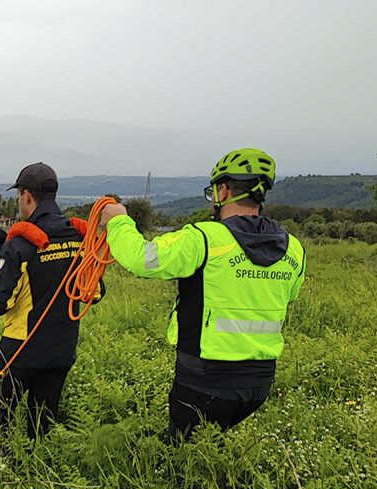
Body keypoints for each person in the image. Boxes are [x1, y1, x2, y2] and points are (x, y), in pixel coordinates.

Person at [98, 148, 306, 442]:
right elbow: (289, 295)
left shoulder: (204, 238)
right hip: (259, 384)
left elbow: (143, 259)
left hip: (204, 379)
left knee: (183, 459)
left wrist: (118, 220)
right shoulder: (294, 248)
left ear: (223, 189)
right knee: (210, 445)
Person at [0, 162, 103, 439]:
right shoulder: (78, 237)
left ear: (26, 195)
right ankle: (39, 472)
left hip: (22, 347)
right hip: (62, 347)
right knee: (42, 424)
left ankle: (1, 469)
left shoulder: (22, 243)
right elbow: (95, 292)